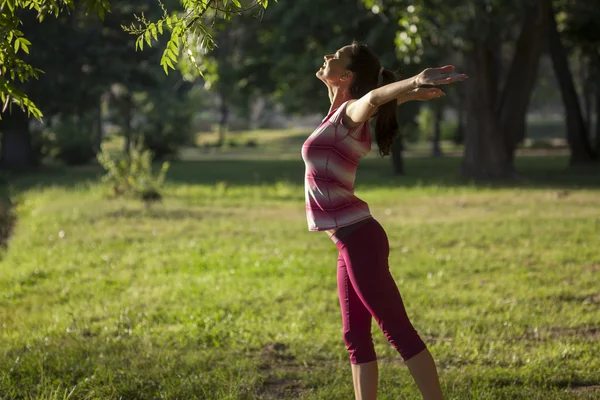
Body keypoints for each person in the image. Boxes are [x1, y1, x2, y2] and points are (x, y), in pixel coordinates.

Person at [301, 42, 467, 400]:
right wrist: (407, 97)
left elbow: (372, 99)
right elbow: (372, 99)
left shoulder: (350, 113)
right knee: (354, 336)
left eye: (336, 56)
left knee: (397, 331)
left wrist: (413, 82)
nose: (327, 56)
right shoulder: (339, 114)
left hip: (360, 239)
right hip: (347, 241)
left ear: (346, 76)